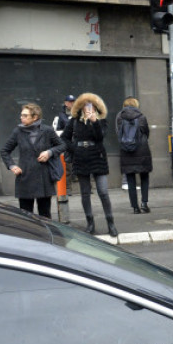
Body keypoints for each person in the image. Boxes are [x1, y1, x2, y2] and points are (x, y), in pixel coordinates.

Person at [65, 93, 118, 237]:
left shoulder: (101, 120)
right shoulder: (75, 120)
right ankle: (90, 223)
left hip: (97, 156)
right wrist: (74, 148)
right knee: (85, 192)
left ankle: (110, 222)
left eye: (91, 106)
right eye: (86, 106)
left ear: (96, 107)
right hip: (81, 157)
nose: (88, 109)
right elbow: (65, 138)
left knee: (103, 191)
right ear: (81, 107)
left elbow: (100, 137)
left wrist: (94, 121)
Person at [0, 103, 64, 218]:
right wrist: (12, 166)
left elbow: (62, 145)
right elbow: (5, 151)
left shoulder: (47, 131)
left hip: (43, 178)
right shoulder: (18, 132)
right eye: (21, 115)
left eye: (25, 116)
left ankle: (45, 236)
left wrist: (49, 152)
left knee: (45, 216)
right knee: (26, 216)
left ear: (35, 117)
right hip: (25, 178)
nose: (21, 118)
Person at [115, 97, 153, 214]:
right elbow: (146, 132)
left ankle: (135, 207)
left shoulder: (119, 117)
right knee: (144, 177)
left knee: (130, 179)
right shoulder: (141, 116)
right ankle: (144, 204)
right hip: (142, 150)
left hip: (126, 151)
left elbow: (118, 133)